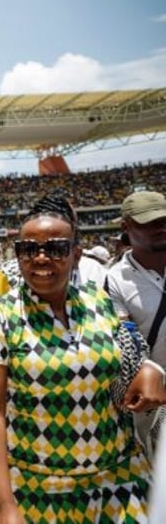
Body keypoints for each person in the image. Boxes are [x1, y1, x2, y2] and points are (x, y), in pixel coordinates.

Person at [0, 195, 166, 523]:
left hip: (117, 481)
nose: (41, 258)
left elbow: (131, 351)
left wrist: (150, 369)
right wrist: (5, 504)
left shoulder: (99, 303)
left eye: (57, 248)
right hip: (35, 489)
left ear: (76, 255)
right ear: (17, 255)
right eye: (28, 249)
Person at [106, 190, 166, 453]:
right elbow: (128, 345)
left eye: (164, 220)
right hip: (155, 400)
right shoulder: (115, 281)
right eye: (150, 222)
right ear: (126, 227)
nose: (161, 228)